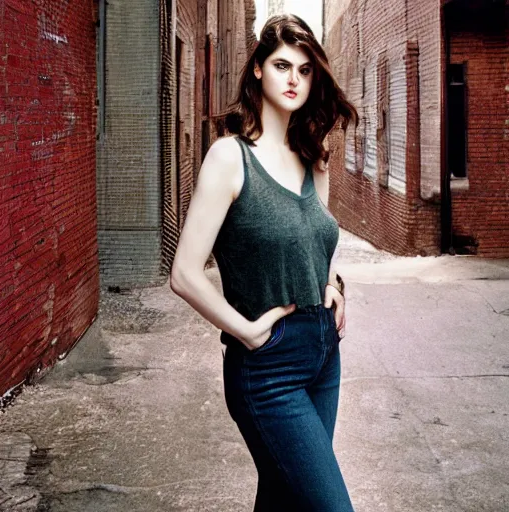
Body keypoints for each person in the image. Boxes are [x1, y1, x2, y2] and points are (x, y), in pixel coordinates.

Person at [170, 13, 358, 512]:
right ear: (257, 69)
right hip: (267, 367)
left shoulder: (313, 156)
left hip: (323, 355)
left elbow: (316, 242)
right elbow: (185, 273)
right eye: (281, 65)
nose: (294, 78)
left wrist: (334, 283)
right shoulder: (230, 158)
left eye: (304, 69)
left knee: (284, 499)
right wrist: (247, 332)